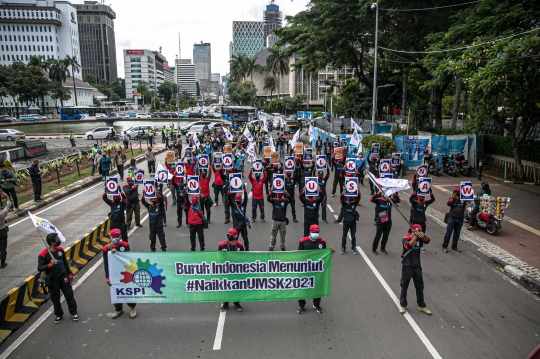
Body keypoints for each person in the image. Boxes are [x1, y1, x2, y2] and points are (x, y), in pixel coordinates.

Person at [37, 233, 79, 324]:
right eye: (56, 239)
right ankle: (58, 314)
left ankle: (74, 312)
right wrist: (50, 265)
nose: (58, 240)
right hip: (53, 280)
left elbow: (64, 262)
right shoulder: (43, 255)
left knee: (69, 295)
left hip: (63, 277)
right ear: (52, 242)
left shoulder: (60, 250)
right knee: (55, 298)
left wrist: (69, 273)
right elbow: (40, 268)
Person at [297, 224, 334, 314]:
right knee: (303, 286)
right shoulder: (303, 241)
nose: (315, 234)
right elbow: (298, 255)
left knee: (318, 286)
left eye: (317, 232)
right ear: (310, 232)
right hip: (305, 268)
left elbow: (324, 256)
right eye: (313, 232)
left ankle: (316, 304)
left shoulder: (322, 242)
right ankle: (301, 305)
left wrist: (331, 252)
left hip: (317, 269)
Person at [103, 229, 137, 319]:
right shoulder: (106, 248)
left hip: (125, 273)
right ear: (110, 237)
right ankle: (118, 309)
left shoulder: (125, 245)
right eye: (113, 237)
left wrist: (119, 254)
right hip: (114, 274)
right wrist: (107, 277)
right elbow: (106, 264)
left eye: (117, 237)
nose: (115, 239)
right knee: (115, 291)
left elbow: (129, 258)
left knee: (128, 291)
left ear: (120, 237)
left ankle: (132, 307)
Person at [399, 224, 432, 316]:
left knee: (420, 286)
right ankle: (403, 304)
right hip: (407, 265)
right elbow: (408, 246)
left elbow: (427, 241)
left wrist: (423, 235)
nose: (420, 231)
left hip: (417, 266)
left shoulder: (420, 238)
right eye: (418, 230)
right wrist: (415, 237)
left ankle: (421, 305)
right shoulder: (405, 238)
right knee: (404, 286)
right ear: (413, 230)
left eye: (421, 230)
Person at [219, 228, 245, 313]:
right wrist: (221, 253)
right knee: (225, 286)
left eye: (231, 235)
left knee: (237, 286)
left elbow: (244, 257)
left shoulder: (240, 245)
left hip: (236, 270)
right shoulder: (222, 244)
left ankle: (237, 303)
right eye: (228, 235)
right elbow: (217, 256)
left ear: (236, 236)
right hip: (226, 269)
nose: (229, 236)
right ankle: (225, 303)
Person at [371, 190, 401, 255]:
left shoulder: (390, 200)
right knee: (378, 236)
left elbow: (399, 201)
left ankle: (383, 248)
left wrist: (394, 193)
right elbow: (371, 199)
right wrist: (378, 193)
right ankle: (374, 249)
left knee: (385, 236)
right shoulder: (378, 200)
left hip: (388, 221)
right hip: (380, 221)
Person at [443, 186, 465, 253]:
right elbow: (449, 203)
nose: (458, 193)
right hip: (452, 217)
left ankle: (454, 246)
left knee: (457, 234)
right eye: (456, 192)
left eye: (458, 192)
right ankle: (445, 246)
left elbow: (470, 200)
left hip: (460, 218)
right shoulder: (452, 198)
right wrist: (453, 197)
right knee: (448, 233)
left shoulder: (464, 198)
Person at [0, 192, 11, 268]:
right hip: (2, 231)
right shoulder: (2, 213)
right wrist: (7, 197)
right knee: (3, 248)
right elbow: (8, 205)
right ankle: (2, 263)